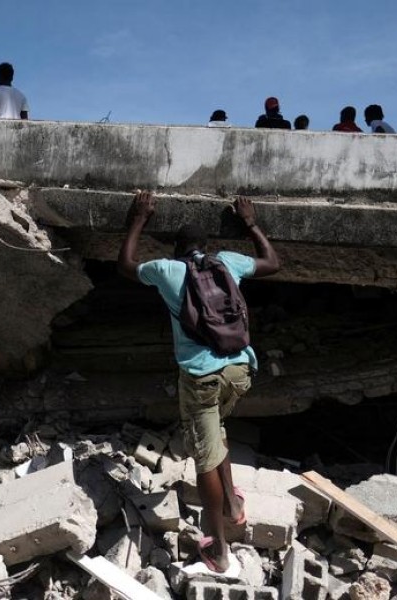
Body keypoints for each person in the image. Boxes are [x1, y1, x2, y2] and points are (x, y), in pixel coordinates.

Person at [118, 192, 280, 574]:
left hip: (200, 378)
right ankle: (234, 506)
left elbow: (125, 264)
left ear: (177, 249)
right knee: (216, 430)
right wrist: (251, 223)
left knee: (203, 457)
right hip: (240, 370)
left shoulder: (167, 270)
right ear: (206, 247)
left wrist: (139, 218)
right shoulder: (227, 262)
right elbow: (273, 263)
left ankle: (220, 549)